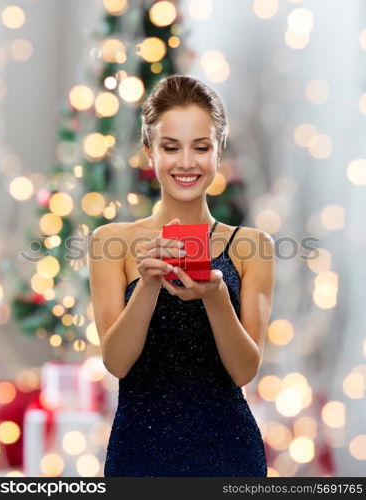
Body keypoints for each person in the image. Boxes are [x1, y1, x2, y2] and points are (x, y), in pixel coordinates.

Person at [89, 74, 275, 477]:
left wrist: (216, 297)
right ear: (149, 152)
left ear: (219, 152)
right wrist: (149, 284)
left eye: (202, 147)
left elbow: (244, 371)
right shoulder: (112, 242)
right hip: (138, 453)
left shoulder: (252, 246)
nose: (187, 162)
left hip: (230, 456)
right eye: (171, 147)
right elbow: (117, 362)